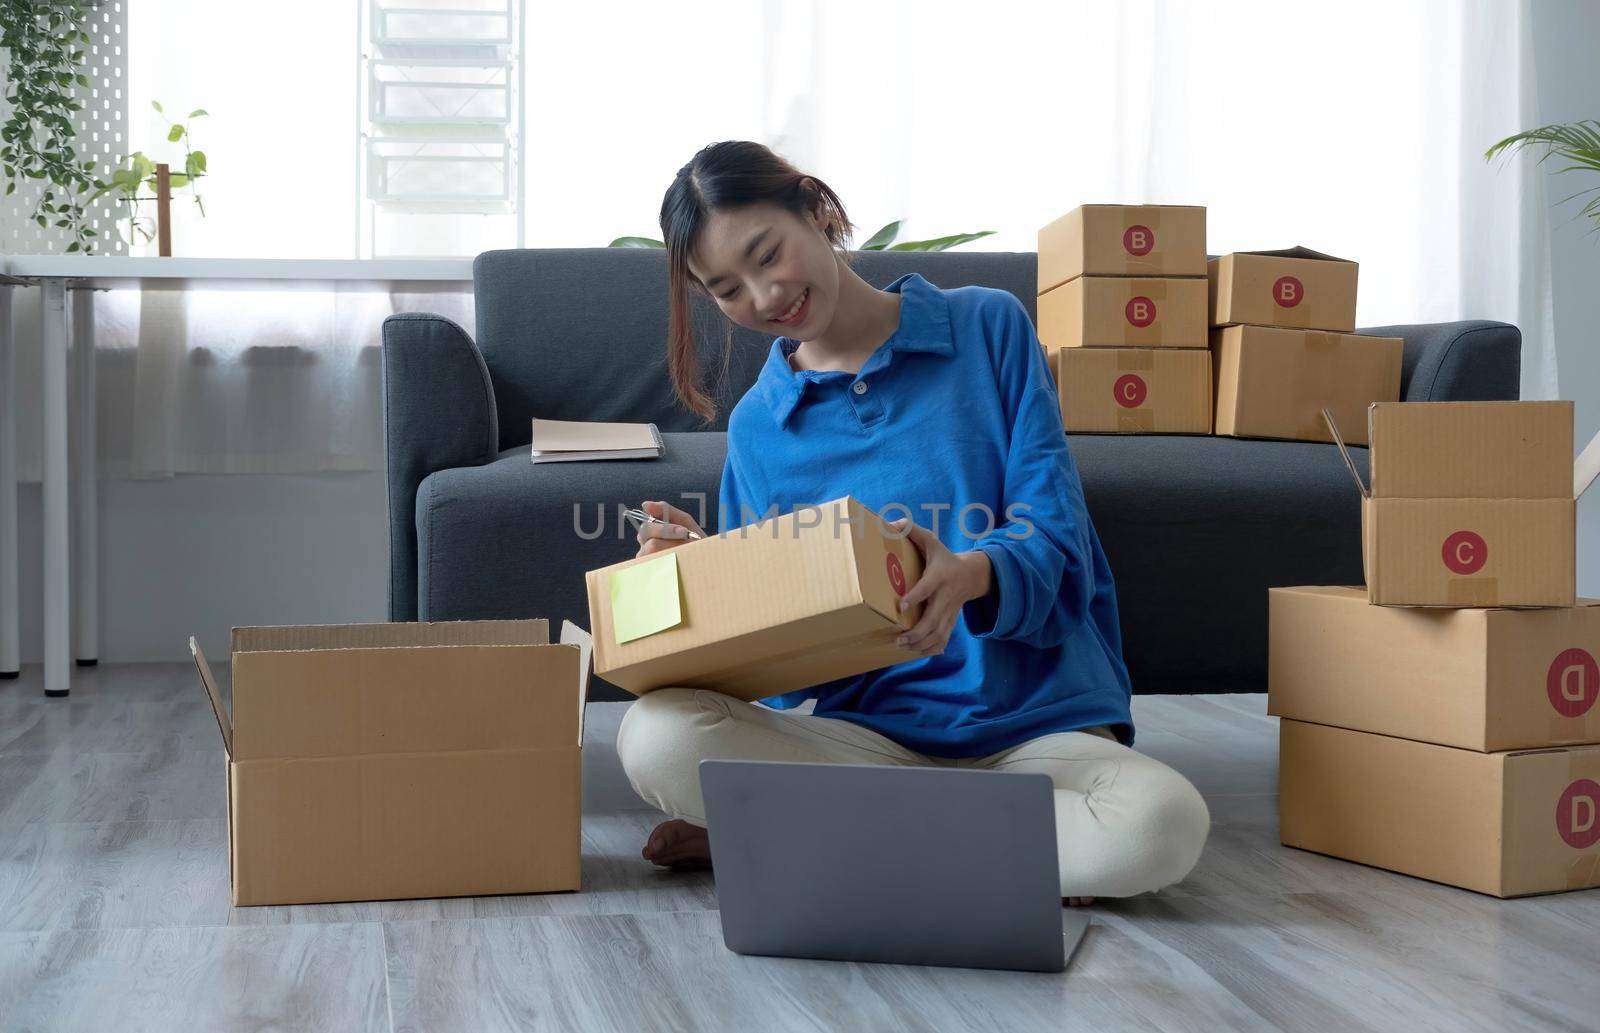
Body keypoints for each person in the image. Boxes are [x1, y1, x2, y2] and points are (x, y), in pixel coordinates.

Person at [616, 140, 1210, 906]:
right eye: (726, 288)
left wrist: (973, 573)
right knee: (654, 735)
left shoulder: (988, 328)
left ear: (815, 208)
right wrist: (710, 583)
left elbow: (1057, 538)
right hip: (867, 745)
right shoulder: (761, 424)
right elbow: (769, 683)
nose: (763, 297)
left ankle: (793, 833)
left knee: (1160, 825)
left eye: (768, 254)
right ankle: (1005, 850)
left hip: (1036, 735)